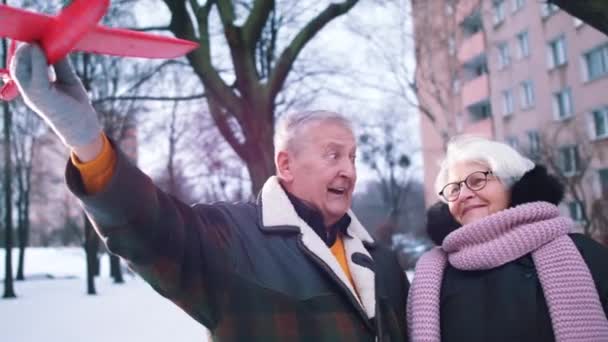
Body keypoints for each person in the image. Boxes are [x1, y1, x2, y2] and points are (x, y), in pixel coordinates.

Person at [10, 43, 409, 341]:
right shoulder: (235, 239)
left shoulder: (384, 264)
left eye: (354, 157)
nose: (348, 170)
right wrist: (86, 141)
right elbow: (151, 230)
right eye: (333, 155)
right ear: (285, 165)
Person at [408, 136, 608, 342]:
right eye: (454, 189)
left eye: (477, 180)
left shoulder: (582, 255)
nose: (463, 195)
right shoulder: (434, 275)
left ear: (512, 184)